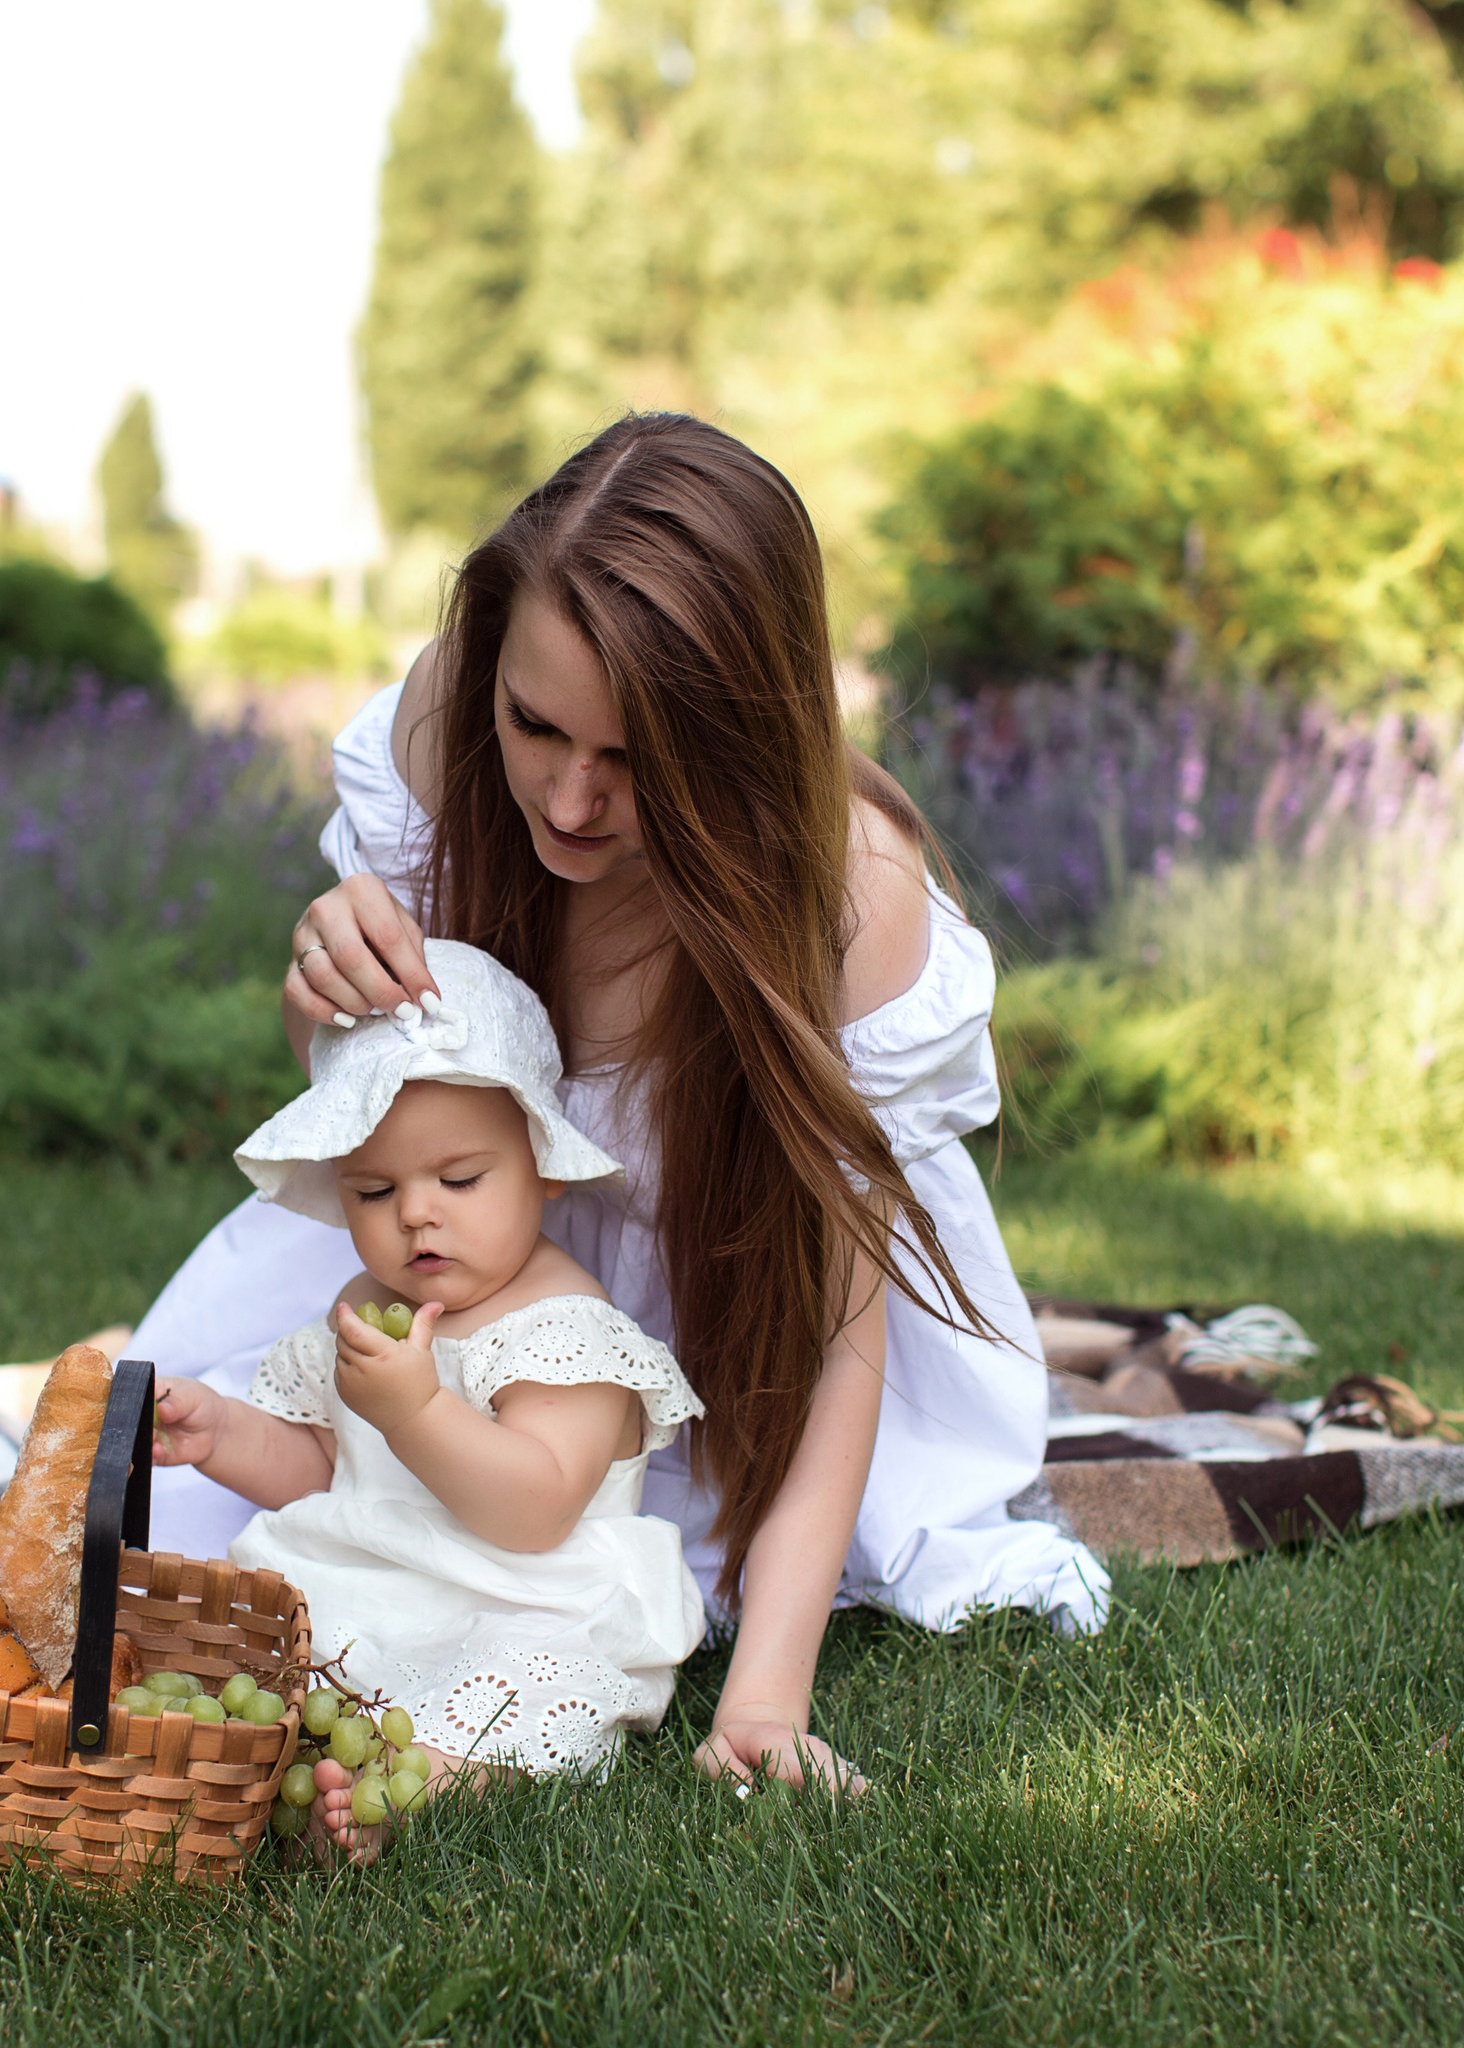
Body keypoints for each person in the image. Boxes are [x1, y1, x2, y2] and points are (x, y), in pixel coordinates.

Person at [134, 412, 1109, 1796]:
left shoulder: (850, 901)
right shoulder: (443, 734)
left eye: (638, 759)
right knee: (159, 1525)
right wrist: (324, 980)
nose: (573, 801)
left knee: (560, 1579)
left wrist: (765, 1697)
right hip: (454, 1263)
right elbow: (362, 1093)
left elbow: (839, 1329)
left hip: (735, 1324)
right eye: (537, 726)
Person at [151, 939, 709, 1855]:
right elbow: (333, 1473)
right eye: (375, 1190)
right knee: (272, 1642)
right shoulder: (372, 1312)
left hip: (527, 1601)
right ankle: (269, 1766)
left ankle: (421, 1789)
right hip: (385, 1584)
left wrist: (417, 1411)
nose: (417, 1212)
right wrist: (226, 1435)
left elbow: (533, 1508)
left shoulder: (565, 1324)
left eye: (458, 1180)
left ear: (543, 1165)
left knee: (522, 1688)